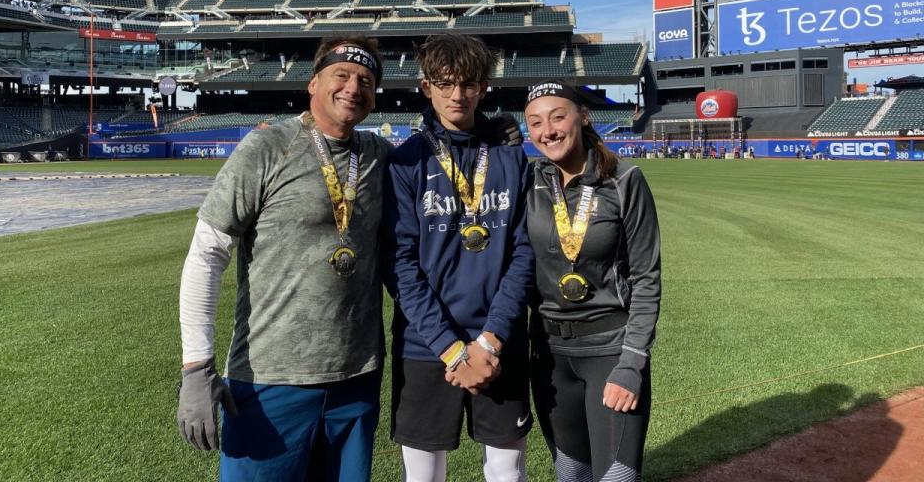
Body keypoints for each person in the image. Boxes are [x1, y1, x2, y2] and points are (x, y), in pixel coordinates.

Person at [177, 36, 390, 482]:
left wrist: (490, 130)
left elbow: (447, 150)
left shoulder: (379, 155)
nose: (354, 87)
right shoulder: (269, 147)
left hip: (357, 376)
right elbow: (207, 252)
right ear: (314, 83)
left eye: (366, 81)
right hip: (271, 377)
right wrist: (197, 366)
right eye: (342, 75)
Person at [382, 33, 534, 482]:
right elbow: (400, 265)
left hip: (500, 337)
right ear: (426, 86)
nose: (457, 95)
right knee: (424, 474)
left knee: (507, 470)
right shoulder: (405, 162)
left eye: (468, 84)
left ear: (484, 87)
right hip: (426, 344)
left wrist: (489, 341)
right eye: (445, 83)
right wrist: (451, 348)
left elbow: (524, 253)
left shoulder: (510, 157)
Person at [524, 82, 661, 482]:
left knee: (615, 477)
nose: (547, 130)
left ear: (583, 117)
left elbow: (647, 277)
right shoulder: (528, 181)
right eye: (535, 122)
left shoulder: (624, 180)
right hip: (549, 356)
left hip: (610, 352)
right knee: (571, 475)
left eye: (558, 116)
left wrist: (632, 364)